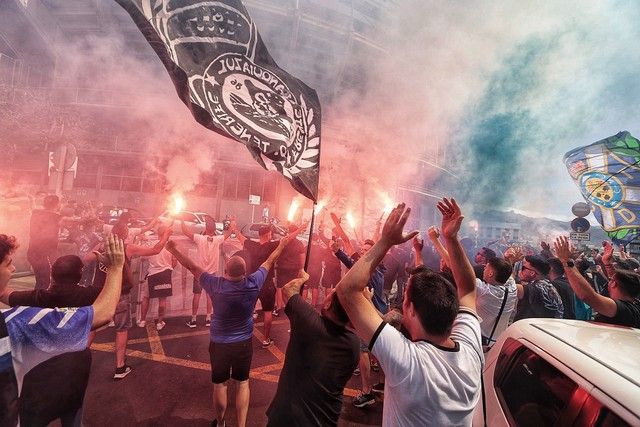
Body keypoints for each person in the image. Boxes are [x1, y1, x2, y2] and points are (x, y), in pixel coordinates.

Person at [336, 199, 483, 425]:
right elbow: (468, 288)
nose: (402, 302)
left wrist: (385, 241)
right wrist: (451, 239)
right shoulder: (471, 350)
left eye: (404, 299)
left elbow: (347, 291)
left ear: (411, 310)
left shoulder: (407, 362)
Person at [165, 230, 298, 427]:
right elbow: (270, 261)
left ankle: (220, 423)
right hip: (243, 343)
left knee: (220, 385)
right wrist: (282, 243)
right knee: (243, 383)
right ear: (245, 273)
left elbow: (192, 266)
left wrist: (173, 249)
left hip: (219, 344)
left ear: (225, 272)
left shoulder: (216, 284)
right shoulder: (254, 283)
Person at [0, 233, 125, 426]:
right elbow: (104, 312)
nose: (14, 268)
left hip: (36, 389)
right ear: (80, 274)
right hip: (73, 376)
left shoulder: (37, 299)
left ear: (53, 275)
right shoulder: (17, 323)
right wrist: (115, 268)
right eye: (8, 264)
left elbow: (7, 296)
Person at [266, 271, 360, 426]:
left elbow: (288, 289)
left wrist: (303, 278)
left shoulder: (309, 322)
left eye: (330, 294)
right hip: (324, 420)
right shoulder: (353, 343)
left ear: (328, 303)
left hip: (287, 418)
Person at [85, 223, 172, 379]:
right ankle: (120, 367)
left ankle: (78, 361)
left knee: (92, 327)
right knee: (122, 329)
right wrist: (165, 236)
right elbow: (155, 250)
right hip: (119, 293)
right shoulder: (127, 248)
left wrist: (100, 251)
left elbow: (86, 259)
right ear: (125, 234)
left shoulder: (103, 245)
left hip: (99, 292)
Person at [333, 238, 388, 408]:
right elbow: (354, 259)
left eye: (367, 251)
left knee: (363, 350)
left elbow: (352, 263)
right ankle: (383, 382)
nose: (363, 253)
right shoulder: (377, 269)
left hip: (370, 315)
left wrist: (338, 252)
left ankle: (366, 392)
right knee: (378, 351)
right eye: (363, 250)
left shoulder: (371, 271)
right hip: (379, 314)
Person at [555, 237, 640, 327]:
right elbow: (615, 278)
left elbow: (588, 296)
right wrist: (607, 263)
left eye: (610, 280)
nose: (608, 280)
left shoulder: (625, 310)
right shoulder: (635, 304)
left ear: (614, 284)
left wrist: (566, 261)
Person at [233, 224, 279, 347]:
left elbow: (240, 237)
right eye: (270, 234)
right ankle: (266, 339)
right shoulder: (272, 246)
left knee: (247, 311)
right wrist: (300, 229)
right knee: (268, 311)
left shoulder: (251, 245)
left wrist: (233, 225)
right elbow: (287, 239)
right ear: (268, 235)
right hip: (267, 284)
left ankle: (241, 337)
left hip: (252, 283)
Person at [182, 217, 231, 328]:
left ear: (205, 228)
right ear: (214, 230)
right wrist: (232, 223)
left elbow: (185, 231)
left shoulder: (200, 238)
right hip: (211, 273)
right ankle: (208, 319)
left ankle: (193, 319)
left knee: (197, 295)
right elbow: (229, 233)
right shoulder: (218, 239)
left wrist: (181, 219)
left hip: (199, 273)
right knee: (210, 296)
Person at [27, 194, 79, 290]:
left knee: (40, 280)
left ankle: (36, 301)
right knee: (45, 282)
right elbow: (75, 220)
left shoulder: (35, 212)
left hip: (32, 252)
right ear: (57, 204)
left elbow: (32, 206)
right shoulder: (57, 217)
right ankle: (39, 302)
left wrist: (32, 199)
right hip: (44, 254)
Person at [138, 225, 177, 331]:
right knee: (162, 299)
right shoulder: (170, 246)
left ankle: (142, 320)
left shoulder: (152, 244)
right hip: (165, 274)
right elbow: (175, 262)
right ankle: (159, 322)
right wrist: (168, 268)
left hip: (152, 274)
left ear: (158, 234)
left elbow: (143, 256)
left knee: (146, 298)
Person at [514, 255, 564, 320]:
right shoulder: (548, 286)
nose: (520, 270)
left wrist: (508, 264)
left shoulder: (537, 288)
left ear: (532, 273)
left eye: (523, 268)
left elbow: (510, 288)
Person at [274, 224, 306, 315]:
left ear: (288, 230)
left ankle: (279, 308)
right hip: (294, 269)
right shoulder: (299, 243)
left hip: (281, 268)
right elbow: (302, 257)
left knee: (279, 288)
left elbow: (276, 253)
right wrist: (301, 268)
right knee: (291, 289)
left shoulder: (283, 241)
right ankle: (292, 307)